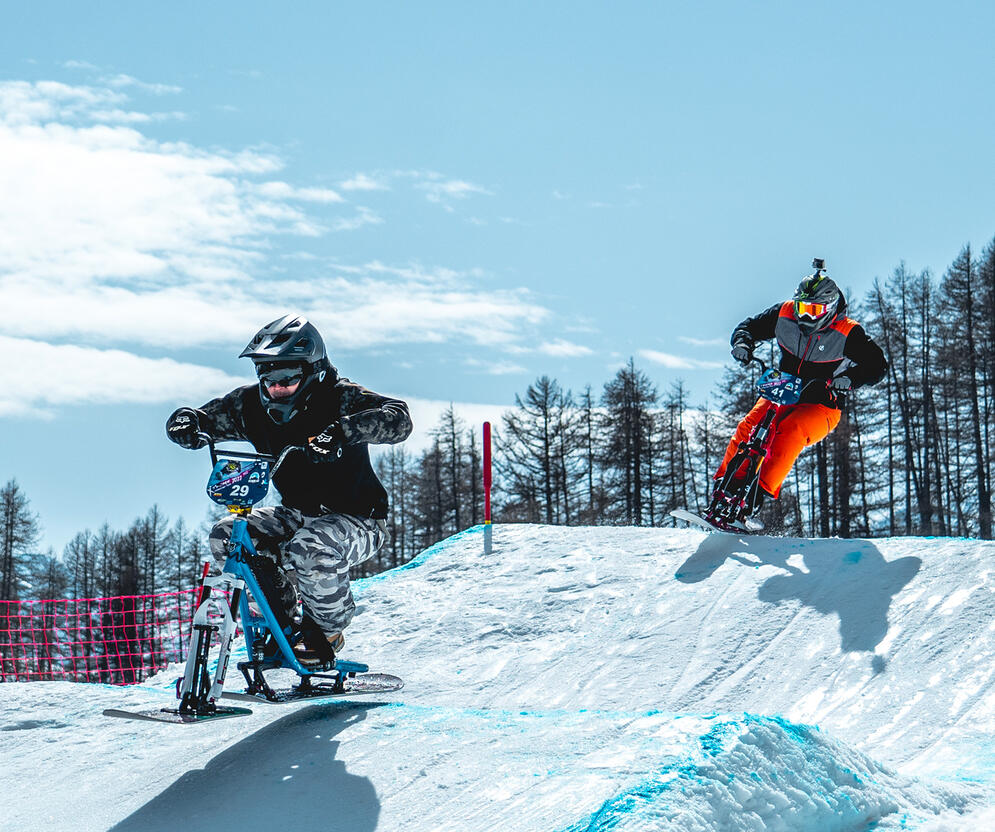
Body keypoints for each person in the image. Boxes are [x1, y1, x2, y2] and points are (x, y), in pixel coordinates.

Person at [165, 314, 412, 665]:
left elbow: (398, 418)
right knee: (229, 536)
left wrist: (344, 431)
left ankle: (325, 632)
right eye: (267, 377)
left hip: (359, 519)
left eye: (287, 378)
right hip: (297, 513)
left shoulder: (340, 398)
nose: (276, 387)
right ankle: (280, 620)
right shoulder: (250, 405)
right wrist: (188, 422)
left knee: (308, 547)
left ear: (314, 371)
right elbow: (207, 419)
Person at [713, 264, 887, 523]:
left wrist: (850, 379)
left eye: (814, 310)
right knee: (749, 425)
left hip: (822, 404)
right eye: (802, 308)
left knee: (790, 430)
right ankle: (725, 488)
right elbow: (748, 326)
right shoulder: (784, 314)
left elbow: (877, 365)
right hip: (783, 391)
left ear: (829, 308)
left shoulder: (848, 332)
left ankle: (755, 497)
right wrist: (742, 343)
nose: (805, 316)